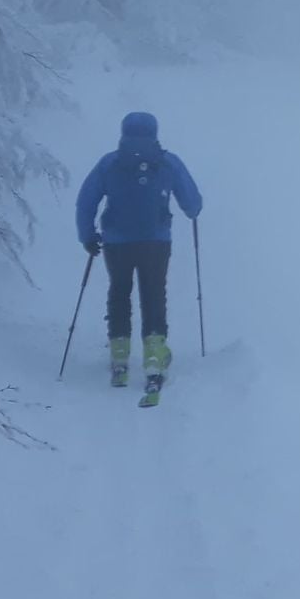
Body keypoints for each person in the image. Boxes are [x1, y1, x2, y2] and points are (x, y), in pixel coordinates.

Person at [76, 111, 204, 398]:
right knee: (154, 294)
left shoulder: (109, 163)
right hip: (156, 242)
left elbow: (85, 202)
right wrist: (193, 211)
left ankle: (120, 356)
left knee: (119, 291)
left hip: (117, 242)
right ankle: (155, 357)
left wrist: (87, 236)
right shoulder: (168, 162)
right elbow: (193, 203)